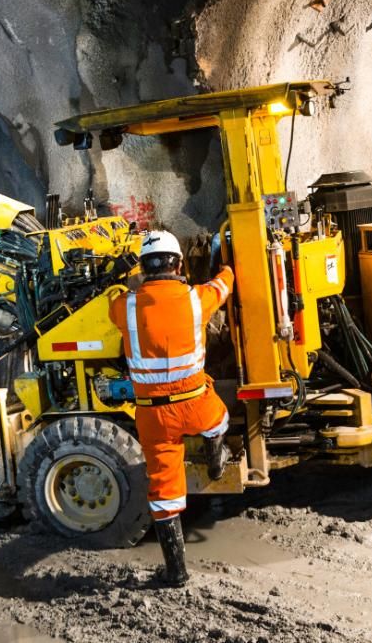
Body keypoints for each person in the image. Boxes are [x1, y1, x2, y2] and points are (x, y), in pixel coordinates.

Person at [109, 229, 234, 586]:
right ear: (178, 263)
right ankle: (215, 463)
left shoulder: (125, 306)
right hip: (194, 401)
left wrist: (121, 279)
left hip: (152, 415)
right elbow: (223, 285)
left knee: (164, 493)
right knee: (219, 421)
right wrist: (227, 267)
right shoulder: (197, 299)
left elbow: (113, 299)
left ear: (144, 267)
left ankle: (176, 573)